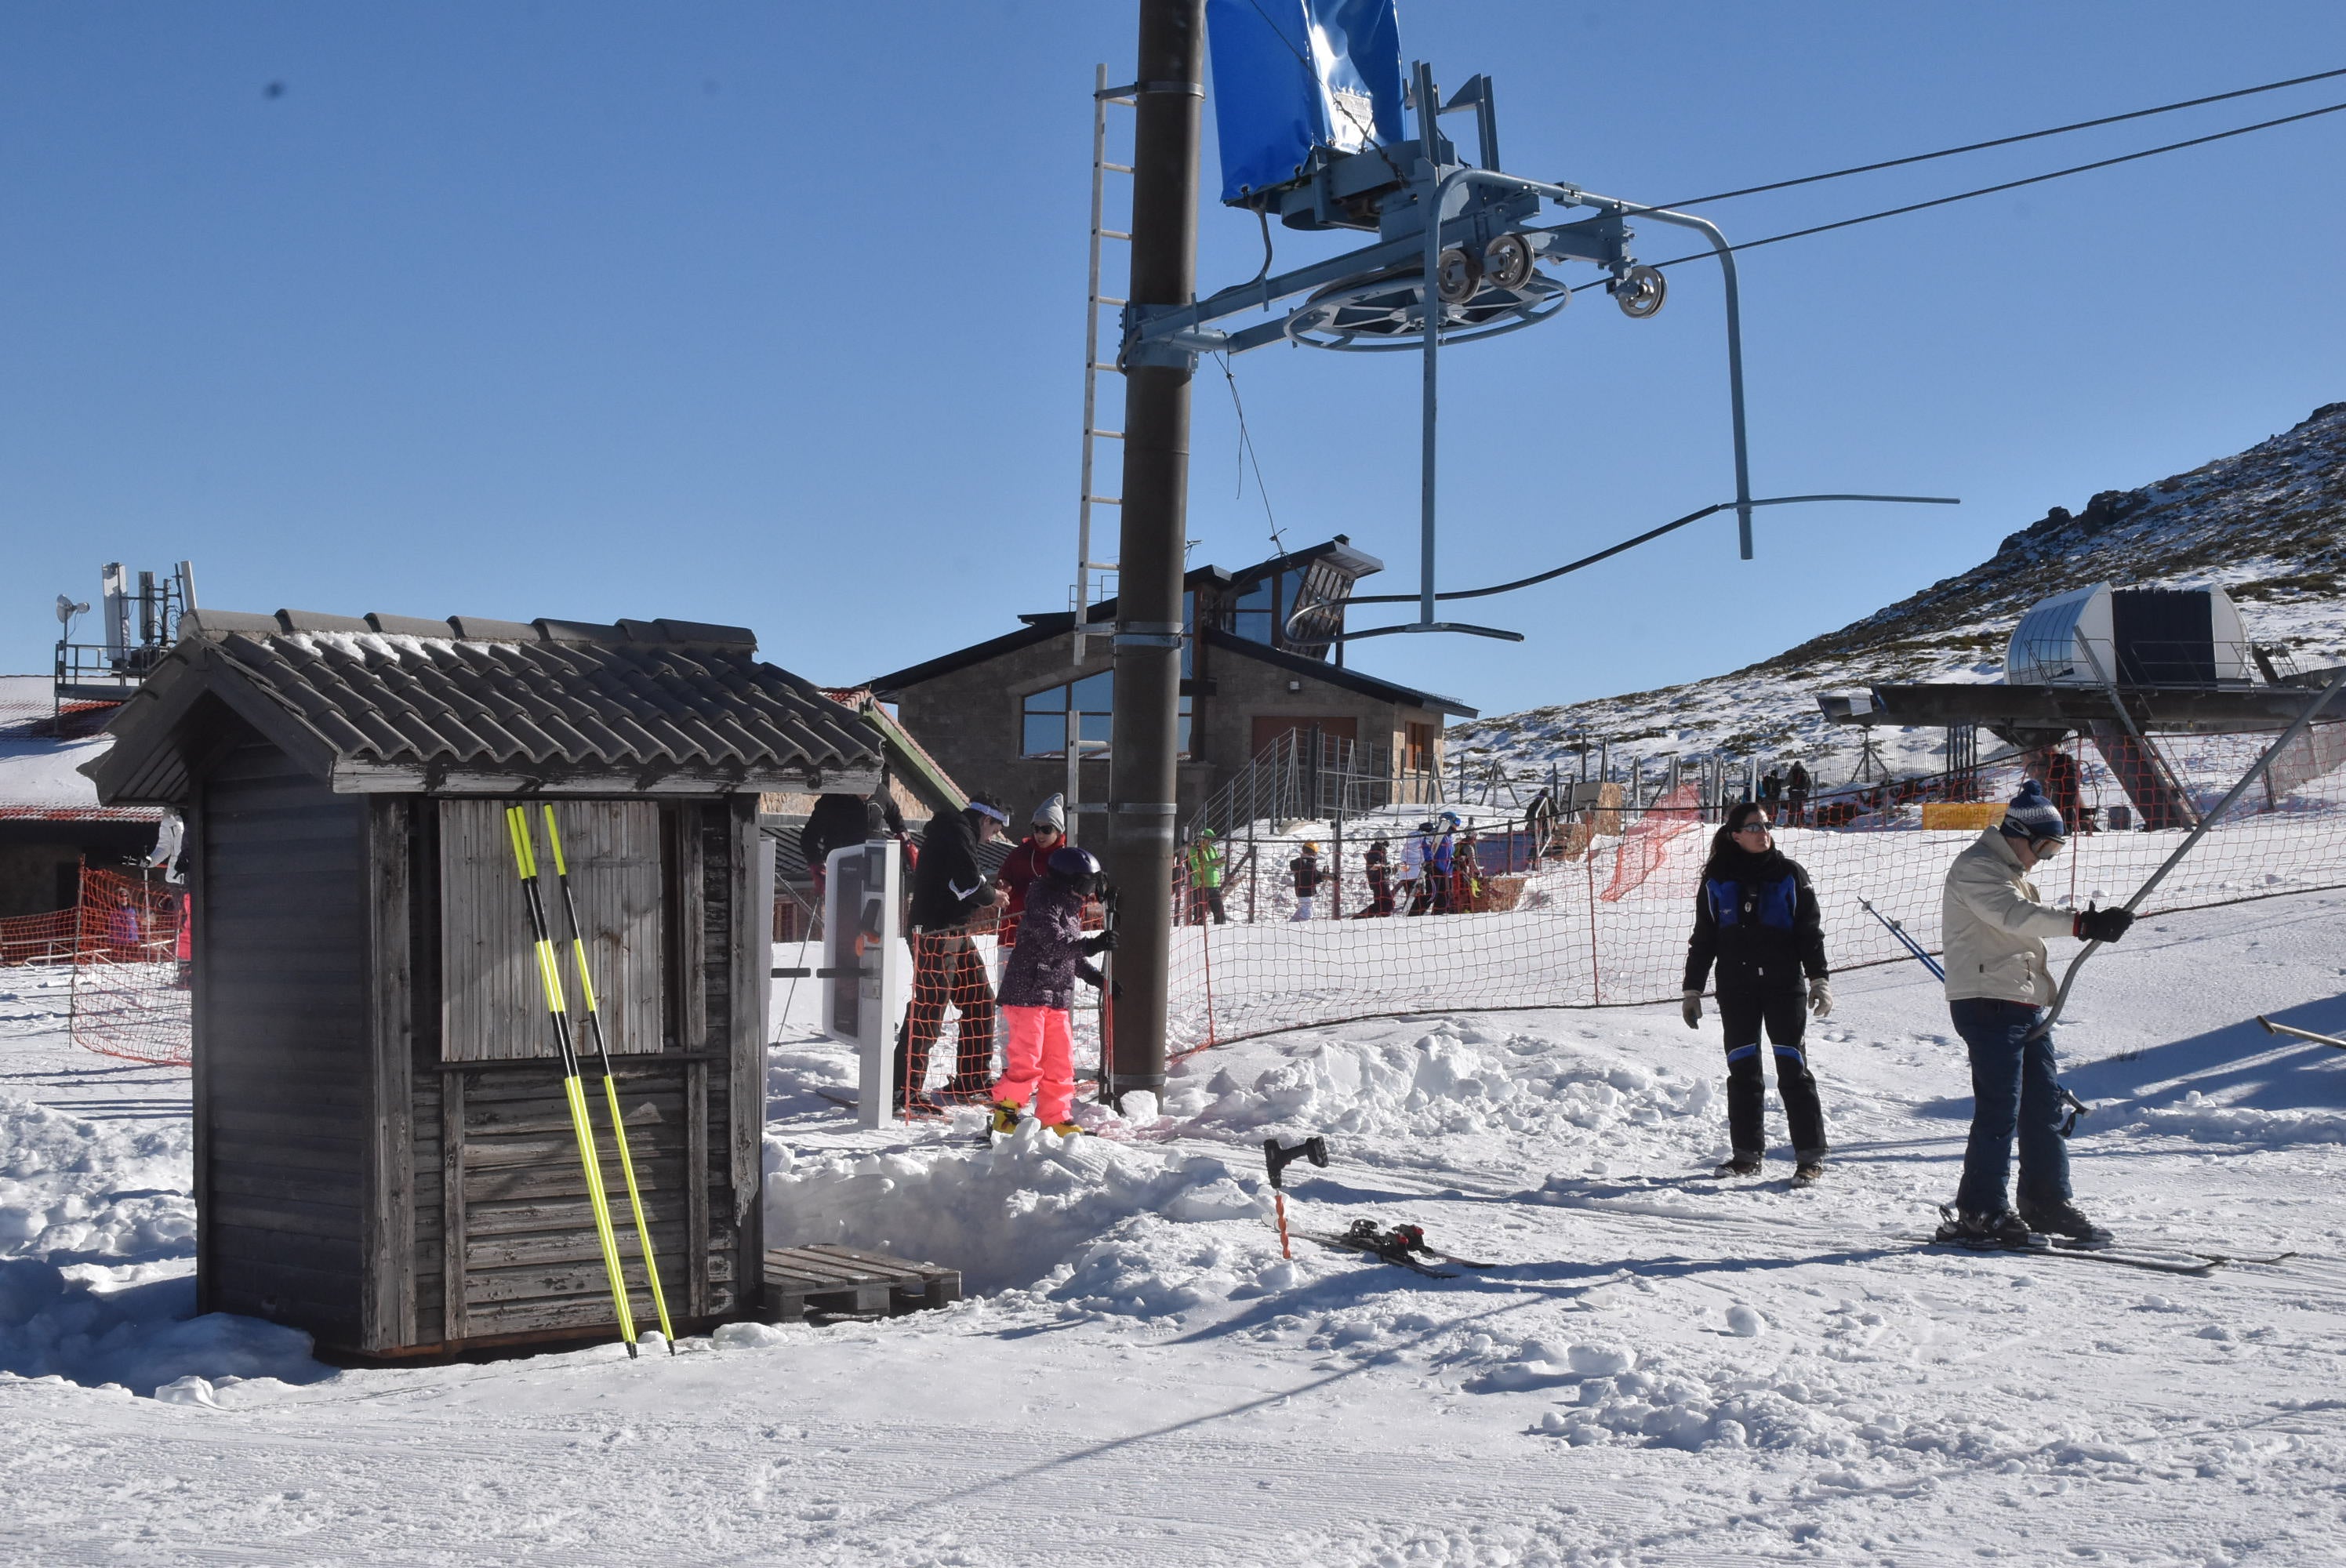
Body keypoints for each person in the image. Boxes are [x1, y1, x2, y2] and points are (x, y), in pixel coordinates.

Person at [1934, 780, 2134, 1249]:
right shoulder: (1978, 868)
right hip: (1986, 1001)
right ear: (2019, 834)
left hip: (2022, 1001)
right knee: (2000, 1107)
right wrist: (2083, 923)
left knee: (2043, 1105)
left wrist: (2088, 925)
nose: (2042, 859)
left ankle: (2046, 1201)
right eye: (2043, 848)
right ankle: (1980, 1211)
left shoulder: (2008, 870)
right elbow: (2014, 916)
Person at [1681, 801, 1832, 1182]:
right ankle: (1747, 1156)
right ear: (1735, 835)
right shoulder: (1717, 879)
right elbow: (1704, 937)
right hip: (1736, 987)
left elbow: (1808, 932)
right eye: (1753, 827)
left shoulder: (1790, 875)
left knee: (1792, 1068)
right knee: (1743, 1070)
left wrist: (1819, 980)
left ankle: (1809, 1157)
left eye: (1766, 825)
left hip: (1785, 986)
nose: (1763, 832)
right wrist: (1692, 990)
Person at [990, 845, 1116, 1138]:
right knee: (1027, 1060)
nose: (1089, 890)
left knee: (1060, 1062)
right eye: (1086, 883)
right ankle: (1005, 1114)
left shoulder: (1071, 906)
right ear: (1069, 880)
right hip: (1028, 993)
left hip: (1056, 995)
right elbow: (1053, 943)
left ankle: (1054, 1116)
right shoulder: (1043, 901)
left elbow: (1068, 953)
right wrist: (1093, 945)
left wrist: (1096, 978)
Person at [902, 794, 1010, 1112]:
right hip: (935, 933)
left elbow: (963, 880)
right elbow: (968, 884)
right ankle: (903, 1090)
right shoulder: (957, 831)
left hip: (954, 930)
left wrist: (989, 890)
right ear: (985, 819)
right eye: (995, 829)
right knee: (929, 1008)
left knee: (979, 999)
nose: (993, 838)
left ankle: (971, 1081)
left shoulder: (959, 833)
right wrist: (994, 896)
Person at [801, 789, 905, 904]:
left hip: (874, 875)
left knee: (875, 916)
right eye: (862, 788)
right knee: (844, 917)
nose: (866, 792)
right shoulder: (832, 800)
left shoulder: (881, 794)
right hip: (841, 874)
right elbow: (808, 838)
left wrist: (906, 841)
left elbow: (896, 818)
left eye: (870, 788)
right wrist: (817, 866)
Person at [995, 794, 1066, 952]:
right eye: (1036, 828)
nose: (1040, 834)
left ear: (1058, 831)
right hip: (1014, 935)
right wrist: (1004, 884)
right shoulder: (1020, 854)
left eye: (1046, 829)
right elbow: (1004, 877)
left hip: (1051, 939)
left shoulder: (1066, 859)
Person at [1184, 829, 1227, 925]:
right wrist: (1212, 863)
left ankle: (1221, 933)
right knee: (1200, 915)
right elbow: (1196, 866)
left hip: (1214, 885)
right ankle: (1198, 934)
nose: (1210, 842)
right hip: (1200, 885)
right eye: (1208, 839)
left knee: (1220, 913)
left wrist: (1222, 861)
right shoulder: (1194, 850)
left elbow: (1218, 865)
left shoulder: (1212, 849)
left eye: (1211, 839)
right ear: (1202, 839)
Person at [1401, 820, 1435, 914]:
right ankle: (1413, 915)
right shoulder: (1424, 839)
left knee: (1410, 896)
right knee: (1418, 897)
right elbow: (1426, 853)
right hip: (1416, 871)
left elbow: (1403, 855)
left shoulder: (1410, 839)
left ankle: (1406, 913)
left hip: (1404, 871)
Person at [1357, 837, 1394, 916]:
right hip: (1379, 882)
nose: (1387, 845)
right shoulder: (1375, 853)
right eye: (1386, 843)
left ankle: (1380, 920)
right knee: (1388, 904)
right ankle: (1359, 918)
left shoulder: (1379, 852)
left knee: (1381, 905)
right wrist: (1387, 868)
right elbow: (1374, 866)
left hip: (1381, 881)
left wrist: (1388, 868)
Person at [1288, 841, 1324, 921]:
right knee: (1308, 913)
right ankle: (1303, 928)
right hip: (1307, 891)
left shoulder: (1299, 862)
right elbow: (1314, 878)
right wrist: (1322, 877)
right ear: (1314, 853)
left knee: (1303, 908)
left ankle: (1291, 924)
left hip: (1300, 891)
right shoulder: (1310, 864)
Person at [1451, 829, 1482, 913]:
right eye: (1475, 836)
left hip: (1452, 872)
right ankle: (1463, 910)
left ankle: (1454, 909)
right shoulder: (1468, 847)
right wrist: (1478, 873)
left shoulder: (1458, 844)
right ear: (1473, 837)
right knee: (1464, 892)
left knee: (1455, 891)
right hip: (1462, 873)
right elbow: (1472, 862)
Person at [1784, 761, 1811, 828]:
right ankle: (1800, 823)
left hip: (1793, 792)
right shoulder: (1805, 772)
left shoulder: (1792, 771)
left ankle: (1791, 823)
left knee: (1792, 808)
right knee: (1800, 808)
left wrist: (1781, 785)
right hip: (1802, 793)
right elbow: (1809, 784)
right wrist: (1807, 792)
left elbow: (1786, 782)